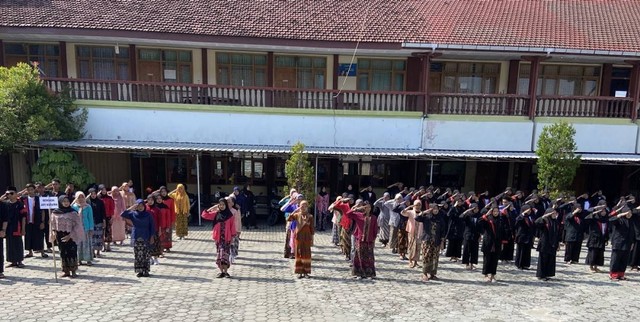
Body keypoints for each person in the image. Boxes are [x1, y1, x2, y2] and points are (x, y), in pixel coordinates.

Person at [49, 195, 85, 278]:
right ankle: (66, 271)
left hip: (71, 236)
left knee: (72, 252)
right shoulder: (55, 213)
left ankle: (73, 271)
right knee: (63, 253)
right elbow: (52, 224)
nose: (66, 203)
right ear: (60, 202)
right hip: (60, 236)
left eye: (67, 201)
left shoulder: (73, 213)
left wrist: (71, 235)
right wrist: (53, 232)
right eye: (64, 201)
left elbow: (77, 225)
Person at [201, 198, 236, 278]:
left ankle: (226, 272)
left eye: (223, 204)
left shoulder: (230, 215)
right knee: (219, 256)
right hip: (218, 239)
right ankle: (221, 272)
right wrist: (213, 207)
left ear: (226, 205)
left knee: (225, 255)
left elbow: (232, 227)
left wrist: (233, 238)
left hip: (227, 239)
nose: (221, 206)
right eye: (220, 205)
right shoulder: (216, 214)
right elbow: (204, 215)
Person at [121, 200, 156, 277]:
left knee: (146, 254)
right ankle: (139, 271)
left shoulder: (148, 215)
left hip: (146, 236)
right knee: (138, 255)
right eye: (139, 206)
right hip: (136, 236)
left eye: (142, 206)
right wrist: (132, 207)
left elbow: (152, 226)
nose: (140, 208)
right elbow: (123, 214)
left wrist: (152, 237)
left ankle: (146, 270)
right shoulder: (133, 214)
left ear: (144, 206)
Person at [414, 203, 446, 282]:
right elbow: (416, 218)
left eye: (437, 208)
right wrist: (424, 212)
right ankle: (424, 273)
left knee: (435, 257)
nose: (435, 210)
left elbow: (443, 231)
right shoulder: (426, 217)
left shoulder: (440, 219)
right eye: (433, 208)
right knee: (426, 256)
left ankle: (432, 274)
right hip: (427, 240)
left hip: (436, 241)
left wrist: (442, 242)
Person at [345, 201, 377, 279]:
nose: (368, 209)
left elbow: (375, 230)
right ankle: (359, 273)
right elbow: (348, 214)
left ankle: (369, 274)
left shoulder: (373, 217)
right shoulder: (358, 216)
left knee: (369, 257)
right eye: (366, 207)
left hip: (369, 240)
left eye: (369, 207)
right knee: (359, 257)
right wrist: (355, 208)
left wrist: (374, 239)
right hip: (360, 239)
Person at [287, 200, 314, 278]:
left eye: (305, 206)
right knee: (298, 254)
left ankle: (306, 272)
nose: (303, 207)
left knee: (307, 254)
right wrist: (295, 210)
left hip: (307, 238)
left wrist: (312, 240)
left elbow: (312, 229)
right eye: (302, 206)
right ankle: (299, 272)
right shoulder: (297, 215)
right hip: (298, 238)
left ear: (307, 207)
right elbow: (289, 219)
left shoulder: (310, 216)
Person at [1, 186, 26, 269]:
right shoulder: (5, 204)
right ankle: (13, 261)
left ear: (16, 194)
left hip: (17, 227)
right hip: (8, 228)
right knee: (9, 244)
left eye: (12, 193)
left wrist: (23, 229)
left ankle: (19, 261)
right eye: (8, 194)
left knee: (18, 244)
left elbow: (23, 217)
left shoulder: (20, 204)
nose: (10, 195)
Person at [21, 183, 48, 259]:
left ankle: (42, 252)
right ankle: (30, 252)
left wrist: (42, 222)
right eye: (28, 190)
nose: (30, 191)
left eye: (31, 189)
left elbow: (43, 211)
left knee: (39, 236)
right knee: (28, 236)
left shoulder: (39, 198)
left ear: (34, 190)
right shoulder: (23, 199)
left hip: (37, 221)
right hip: (27, 221)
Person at [479, 206, 504, 282]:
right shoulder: (487, 219)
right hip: (488, 241)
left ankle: (493, 275)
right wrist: (486, 215)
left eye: (497, 211)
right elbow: (479, 222)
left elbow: (503, 231)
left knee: (495, 259)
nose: (496, 213)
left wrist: (502, 242)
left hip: (497, 242)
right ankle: (486, 274)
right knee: (487, 259)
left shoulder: (500, 220)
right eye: (494, 211)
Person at [609, 204, 634, 281]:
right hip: (618, 242)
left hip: (627, 243)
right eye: (628, 213)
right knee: (616, 259)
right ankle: (613, 274)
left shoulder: (631, 221)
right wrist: (619, 215)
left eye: (630, 213)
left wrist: (632, 243)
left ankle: (621, 274)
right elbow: (611, 219)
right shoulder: (619, 220)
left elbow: (632, 233)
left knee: (624, 259)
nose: (629, 214)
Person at [535, 208, 560, 281]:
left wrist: (558, 243)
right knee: (543, 259)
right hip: (545, 243)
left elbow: (557, 233)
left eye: (555, 213)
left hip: (553, 243)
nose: (555, 215)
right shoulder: (545, 221)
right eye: (553, 213)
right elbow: (536, 223)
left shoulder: (555, 222)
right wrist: (544, 217)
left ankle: (547, 273)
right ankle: (541, 275)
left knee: (550, 259)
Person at [584, 203, 609, 273]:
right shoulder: (594, 219)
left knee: (599, 254)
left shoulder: (605, 219)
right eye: (602, 211)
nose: (603, 212)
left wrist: (606, 238)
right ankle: (591, 266)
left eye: (604, 211)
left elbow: (606, 230)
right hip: (594, 238)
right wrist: (595, 212)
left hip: (602, 239)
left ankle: (596, 266)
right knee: (593, 253)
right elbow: (586, 218)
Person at [72, 192, 95, 266]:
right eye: (79, 197)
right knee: (78, 244)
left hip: (86, 228)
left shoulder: (88, 207)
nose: (81, 199)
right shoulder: (73, 207)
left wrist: (91, 228)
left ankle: (88, 259)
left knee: (87, 244)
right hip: (77, 228)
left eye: (82, 197)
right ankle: (79, 259)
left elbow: (90, 218)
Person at [401, 199, 423, 268]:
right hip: (411, 232)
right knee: (411, 246)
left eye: (419, 205)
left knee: (418, 247)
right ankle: (410, 260)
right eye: (416, 205)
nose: (418, 206)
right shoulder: (410, 212)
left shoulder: (422, 213)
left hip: (419, 232)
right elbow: (402, 212)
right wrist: (409, 207)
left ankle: (415, 261)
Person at [514, 205, 536, 270]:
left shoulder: (530, 217)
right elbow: (517, 222)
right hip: (522, 236)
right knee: (521, 251)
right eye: (528, 210)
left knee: (527, 251)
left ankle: (525, 264)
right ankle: (519, 264)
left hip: (529, 236)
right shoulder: (521, 217)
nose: (529, 211)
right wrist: (523, 214)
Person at [460, 203, 481, 270]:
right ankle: (467, 264)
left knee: (474, 250)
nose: (476, 210)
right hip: (468, 234)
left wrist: (480, 234)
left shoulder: (479, 216)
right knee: (467, 250)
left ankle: (472, 264)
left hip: (476, 235)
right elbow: (460, 217)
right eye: (474, 208)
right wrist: (467, 211)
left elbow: (480, 226)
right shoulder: (468, 215)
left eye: (477, 208)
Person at [87, 188, 106, 258]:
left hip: (99, 221)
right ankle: (92, 252)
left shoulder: (100, 202)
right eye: (91, 194)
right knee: (92, 237)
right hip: (91, 222)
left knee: (99, 237)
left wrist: (104, 221)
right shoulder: (88, 202)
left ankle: (98, 252)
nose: (93, 195)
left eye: (94, 194)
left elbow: (103, 212)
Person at [145, 194, 163, 265]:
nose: (150, 201)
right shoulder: (145, 208)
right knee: (147, 244)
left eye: (152, 200)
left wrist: (160, 230)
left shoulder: (157, 209)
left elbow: (160, 220)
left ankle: (155, 258)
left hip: (155, 230)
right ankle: (150, 258)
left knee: (155, 244)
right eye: (149, 200)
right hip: (146, 230)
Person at [98, 184, 115, 252]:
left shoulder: (109, 198)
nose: (104, 191)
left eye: (105, 190)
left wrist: (112, 217)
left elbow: (112, 208)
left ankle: (108, 245)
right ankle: (103, 246)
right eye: (102, 190)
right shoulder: (98, 199)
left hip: (108, 216)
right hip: (101, 217)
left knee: (108, 231)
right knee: (101, 231)